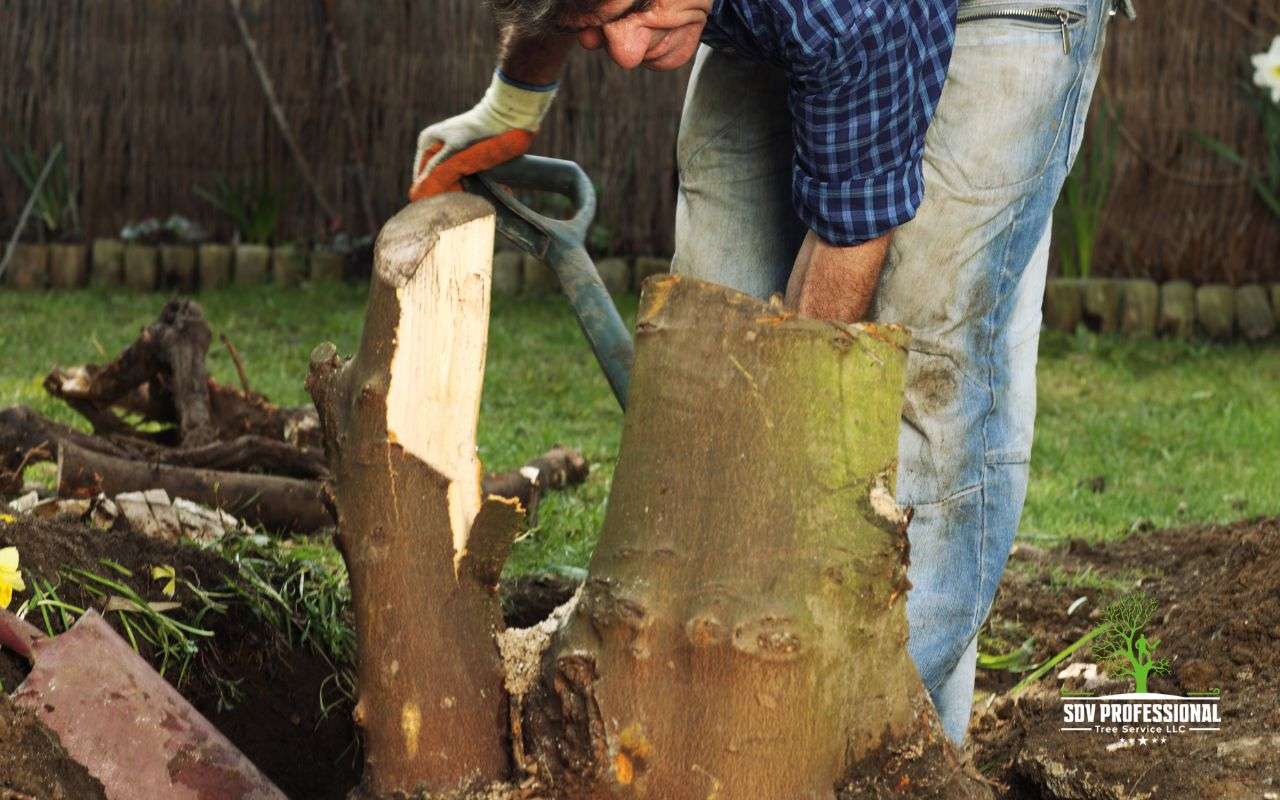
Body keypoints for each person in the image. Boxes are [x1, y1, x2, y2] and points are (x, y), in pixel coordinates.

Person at [410, 0, 1132, 744]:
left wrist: (784, 503)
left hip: (989, 14)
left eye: (635, 8)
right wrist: (513, 103)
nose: (623, 52)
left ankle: (862, 750)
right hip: (797, 27)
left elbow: (845, 260)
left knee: (926, 371)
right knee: (713, 338)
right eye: (594, 27)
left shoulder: (846, 17)